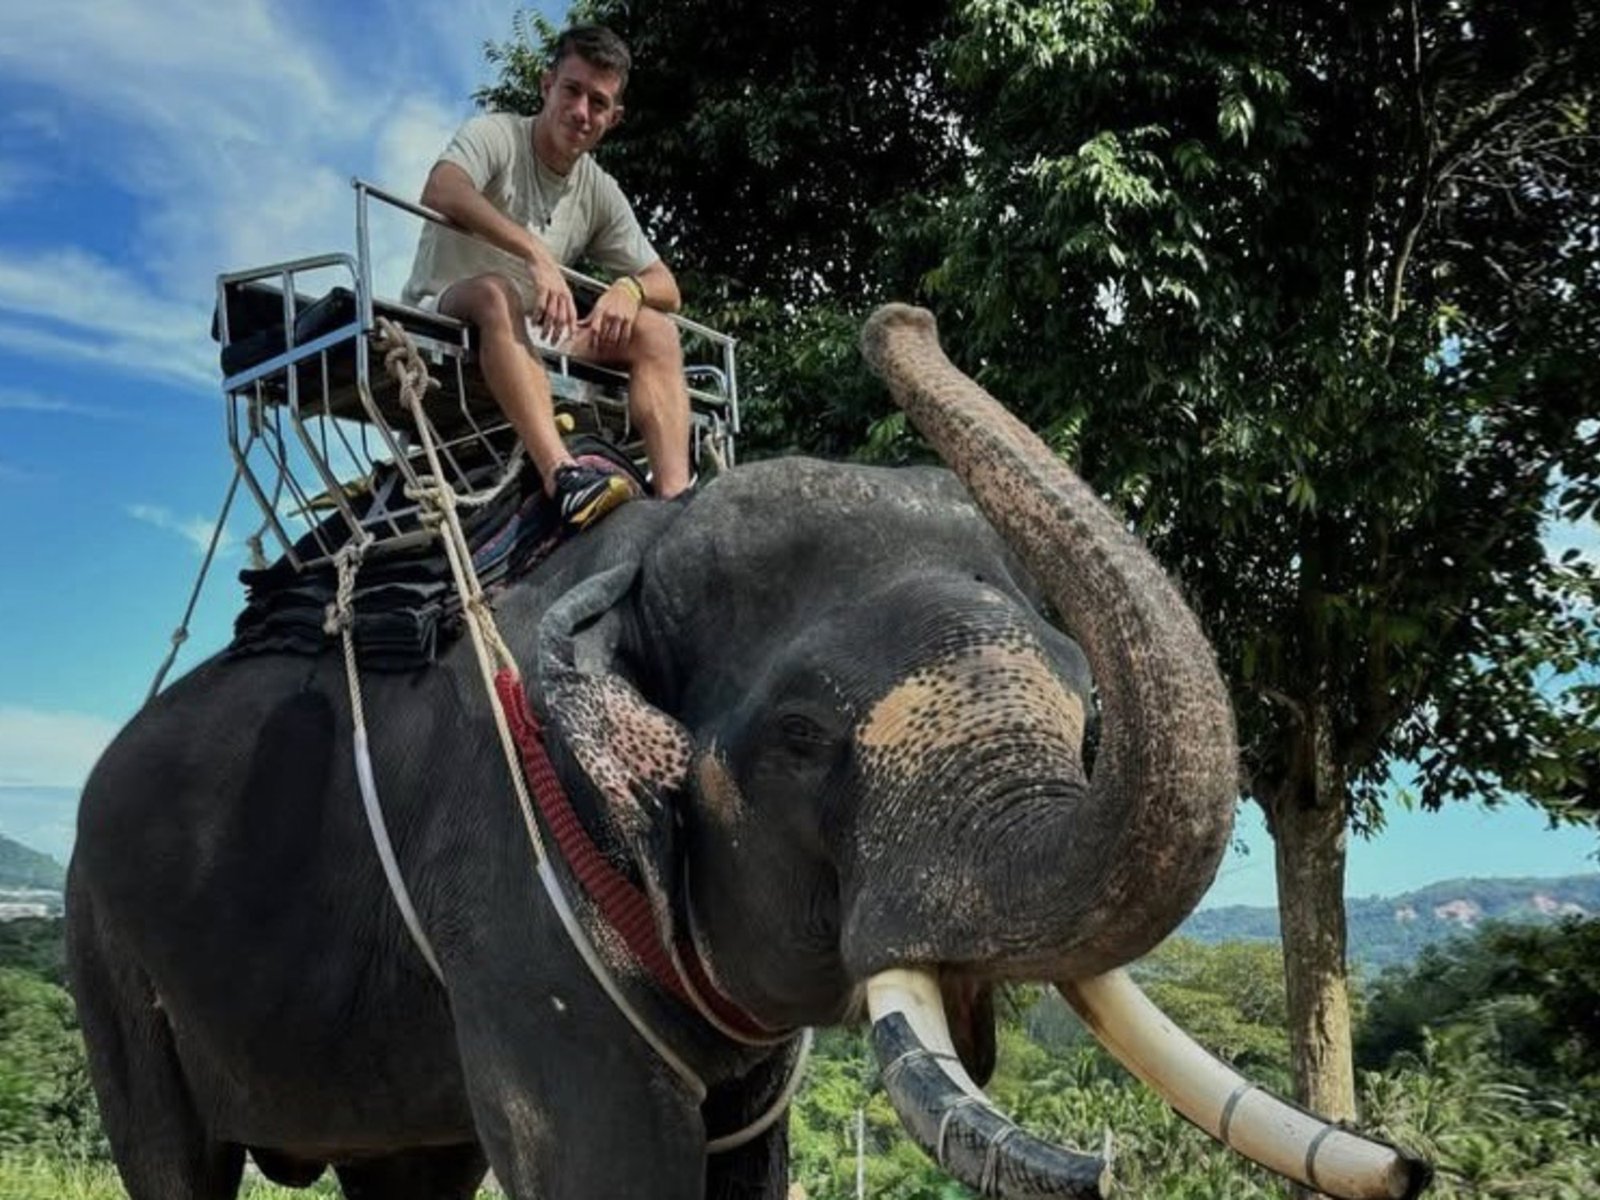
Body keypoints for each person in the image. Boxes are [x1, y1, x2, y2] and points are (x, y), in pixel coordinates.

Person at [402, 23, 692, 529]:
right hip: (445, 317)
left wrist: (629, 288)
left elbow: (667, 284)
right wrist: (534, 252)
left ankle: (677, 503)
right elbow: (442, 188)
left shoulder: (599, 189)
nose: (582, 113)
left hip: (532, 337)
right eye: (572, 91)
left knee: (656, 329)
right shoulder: (497, 135)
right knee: (496, 294)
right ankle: (563, 476)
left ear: (613, 118)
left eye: (598, 103)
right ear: (546, 85)